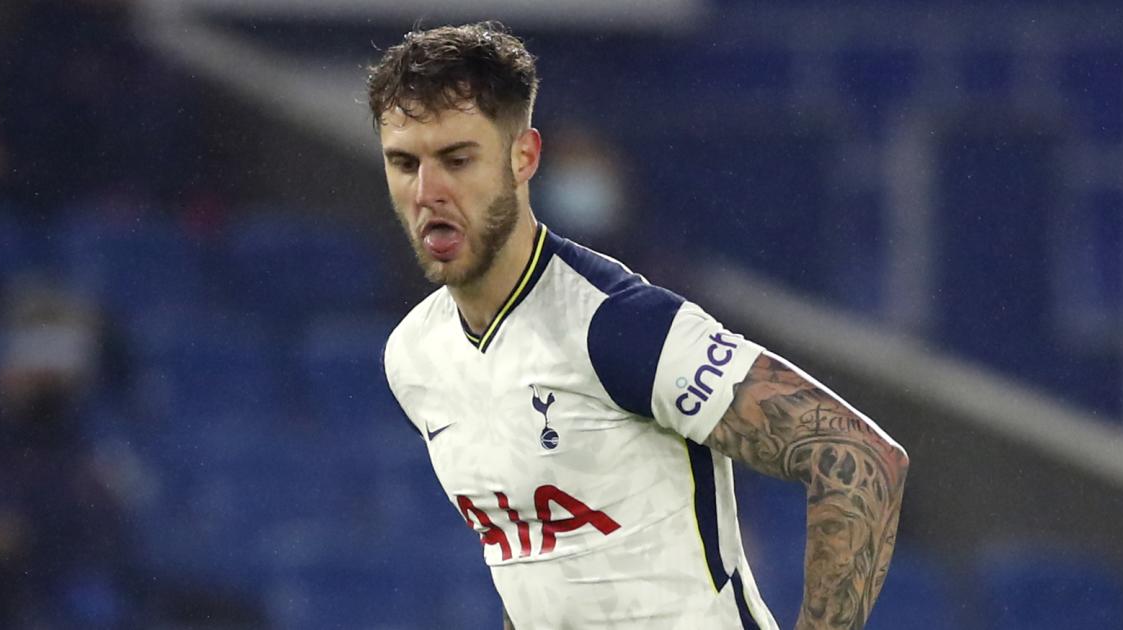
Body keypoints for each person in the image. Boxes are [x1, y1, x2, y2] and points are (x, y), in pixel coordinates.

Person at [372, 22, 908, 630]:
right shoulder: (414, 357)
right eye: (403, 162)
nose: (428, 190)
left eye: (457, 159)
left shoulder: (616, 325)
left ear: (523, 157)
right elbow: (533, 566)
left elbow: (859, 459)